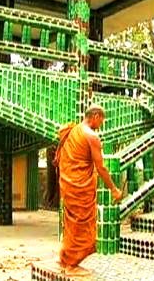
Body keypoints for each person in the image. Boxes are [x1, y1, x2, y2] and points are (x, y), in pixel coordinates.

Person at [54, 105, 123, 276]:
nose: (101, 123)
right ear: (95, 116)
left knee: (72, 224)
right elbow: (101, 167)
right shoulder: (91, 136)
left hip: (68, 184)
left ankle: (65, 259)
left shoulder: (74, 131)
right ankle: (71, 265)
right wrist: (114, 189)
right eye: (102, 119)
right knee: (82, 227)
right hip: (80, 188)